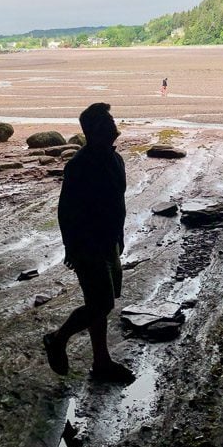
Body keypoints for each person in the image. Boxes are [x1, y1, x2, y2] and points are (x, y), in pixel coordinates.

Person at [43, 102, 134, 383]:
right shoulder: (79, 165)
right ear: (93, 131)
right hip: (88, 246)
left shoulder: (113, 159)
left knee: (101, 301)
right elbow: (66, 210)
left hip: (109, 242)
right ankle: (57, 339)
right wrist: (72, 248)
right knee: (101, 304)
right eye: (106, 123)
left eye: (111, 121)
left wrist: (118, 239)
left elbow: (116, 201)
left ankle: (101, 360)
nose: (113, 126)